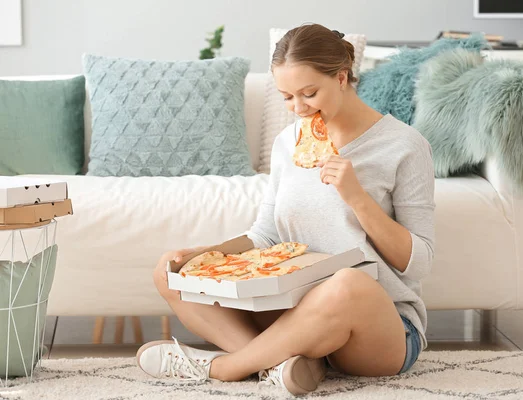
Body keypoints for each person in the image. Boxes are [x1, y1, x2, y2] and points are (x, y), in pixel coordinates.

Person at [136, 23, 435, 396]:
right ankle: (287, 365)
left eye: (309, 93)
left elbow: (419, 262)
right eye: (287, 97)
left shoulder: (404, 145)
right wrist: (203, 255)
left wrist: (357, 197)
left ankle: (225, 367)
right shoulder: (288, 142)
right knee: (172, 272)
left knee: (347, 282)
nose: (299, 109)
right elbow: (267, 236)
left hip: (380, 328)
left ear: (341, 77)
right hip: (293, 308)